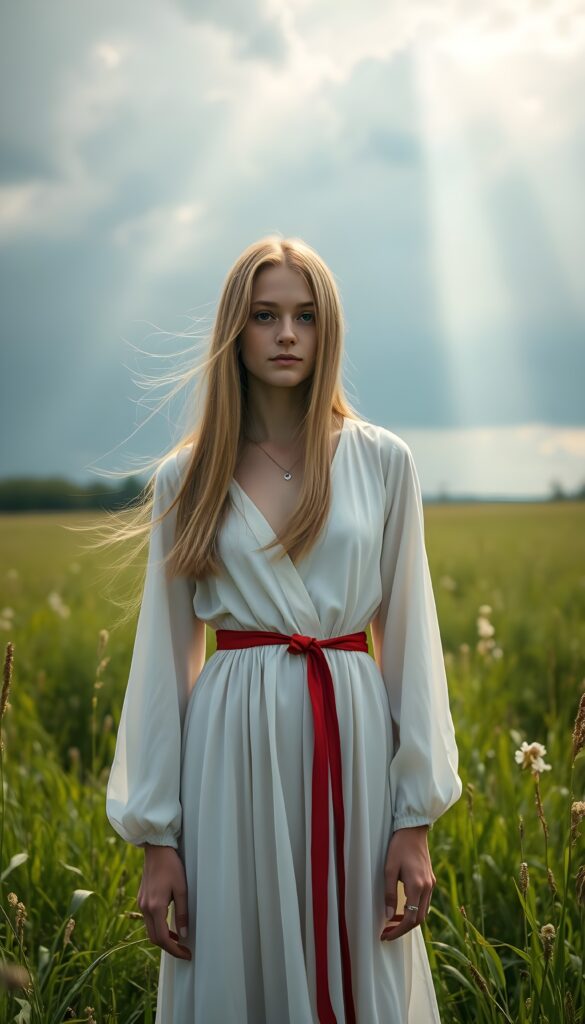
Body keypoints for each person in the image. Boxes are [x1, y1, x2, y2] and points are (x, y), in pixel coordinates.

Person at [105, 234, 463, 1023]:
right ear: (236, 330)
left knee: (357, 951)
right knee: (240, 957)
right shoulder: (187, 476)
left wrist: (414, 820)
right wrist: (156, 838)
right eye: (265, 316)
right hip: (227, 755)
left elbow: (410, 644)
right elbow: (164, 661)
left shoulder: (381, 463)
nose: (287, 335)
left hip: (353, 740)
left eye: (304, 316)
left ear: (326, 328)